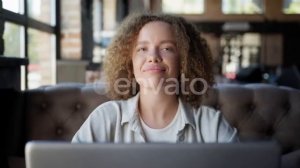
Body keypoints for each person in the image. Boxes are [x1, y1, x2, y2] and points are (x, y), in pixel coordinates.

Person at [72, 13, 238, 143]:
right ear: (129, 63)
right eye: (142, 49)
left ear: (184, 61)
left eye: (166, 48)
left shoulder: (211, 125)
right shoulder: (105, 118)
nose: (153, 56)